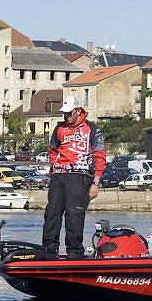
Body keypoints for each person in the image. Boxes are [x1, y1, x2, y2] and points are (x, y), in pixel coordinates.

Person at [41, 94, 106, 259]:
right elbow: (52, 149)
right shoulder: (59, 129)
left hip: (80, 176)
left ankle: (75, 251)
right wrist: (54, 167)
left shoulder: (92, 130)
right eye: (64, 113)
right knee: (52, 211)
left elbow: (100, 157)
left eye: (69, 113)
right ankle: (49, 248)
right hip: (59, 175)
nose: (66, 117)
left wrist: (96, 183)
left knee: (74, 213)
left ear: (78, 111)